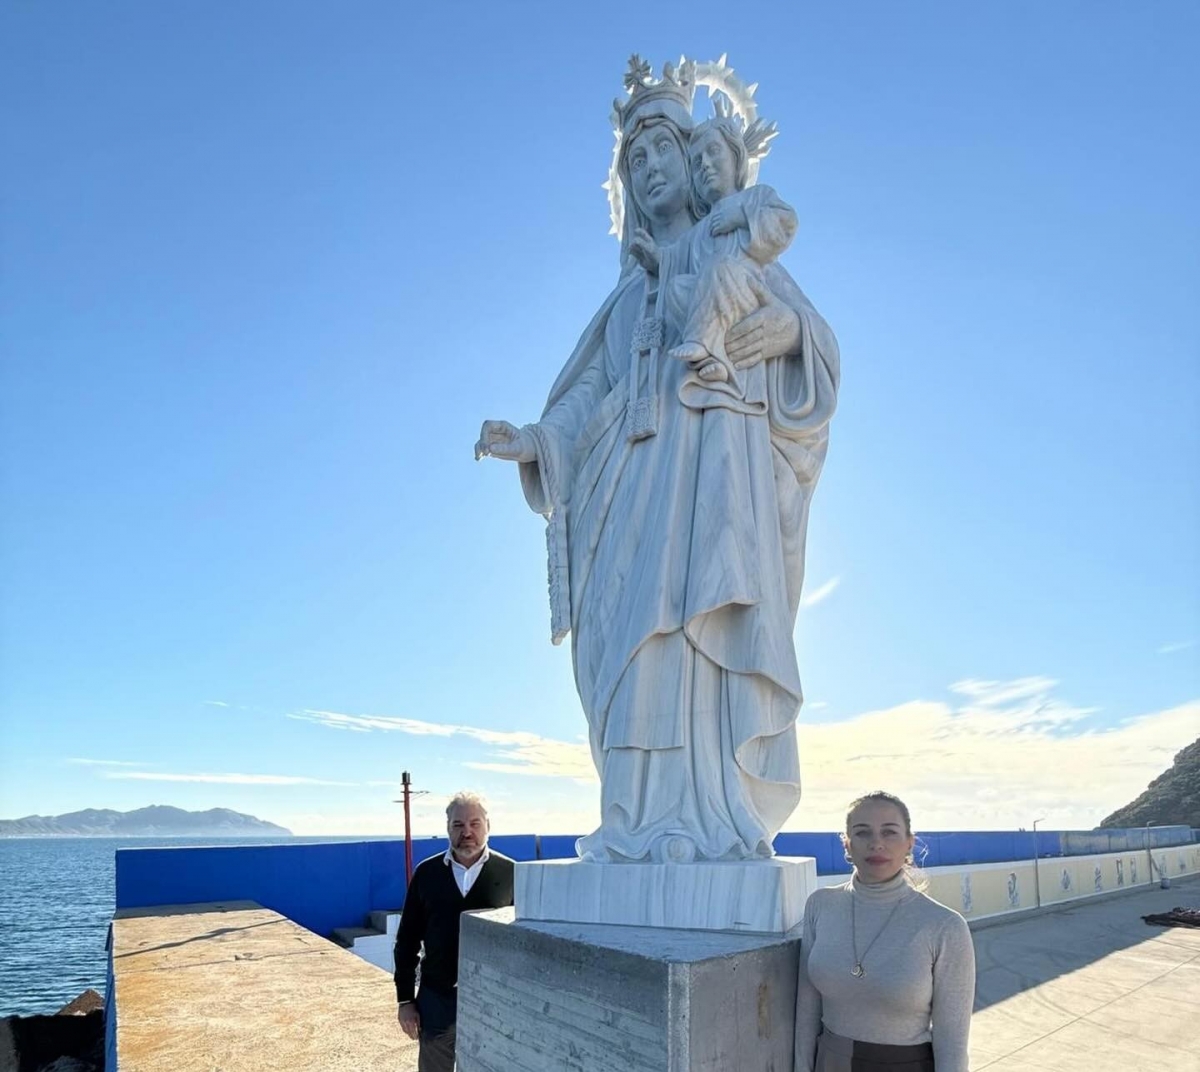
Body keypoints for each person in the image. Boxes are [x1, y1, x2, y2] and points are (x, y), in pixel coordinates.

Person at [475, 57, 839, 865]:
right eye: (633, 164)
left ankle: (711, 817)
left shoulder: (738, 251)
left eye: (661, 153)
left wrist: (785, 337)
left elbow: (812, 341)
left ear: (693, 156)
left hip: (711, 473)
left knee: (695, 635)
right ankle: (634, 821)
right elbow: (592, 392)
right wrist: (535, 440)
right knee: (629, 645)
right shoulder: (625, 295)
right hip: (627, 490)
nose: (648, 172)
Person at [795, 791, 976, 1072]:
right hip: (830, 1063)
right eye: (862, 832)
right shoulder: (820, 905)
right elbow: (807, 1009)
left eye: (889, 832)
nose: (876, 843)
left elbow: (951, 1042)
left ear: (909, 844)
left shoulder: (944, 926)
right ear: (847, 844)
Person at [394, 791, 514, 1072]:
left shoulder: (510, 874)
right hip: (437, 998)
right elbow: (407, 940)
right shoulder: (427, 874)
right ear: (448, 828)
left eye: (475, 823)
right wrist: (405, 1000)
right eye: (458, 825)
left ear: (488, 825)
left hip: (494, 1000)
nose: (467, 832)